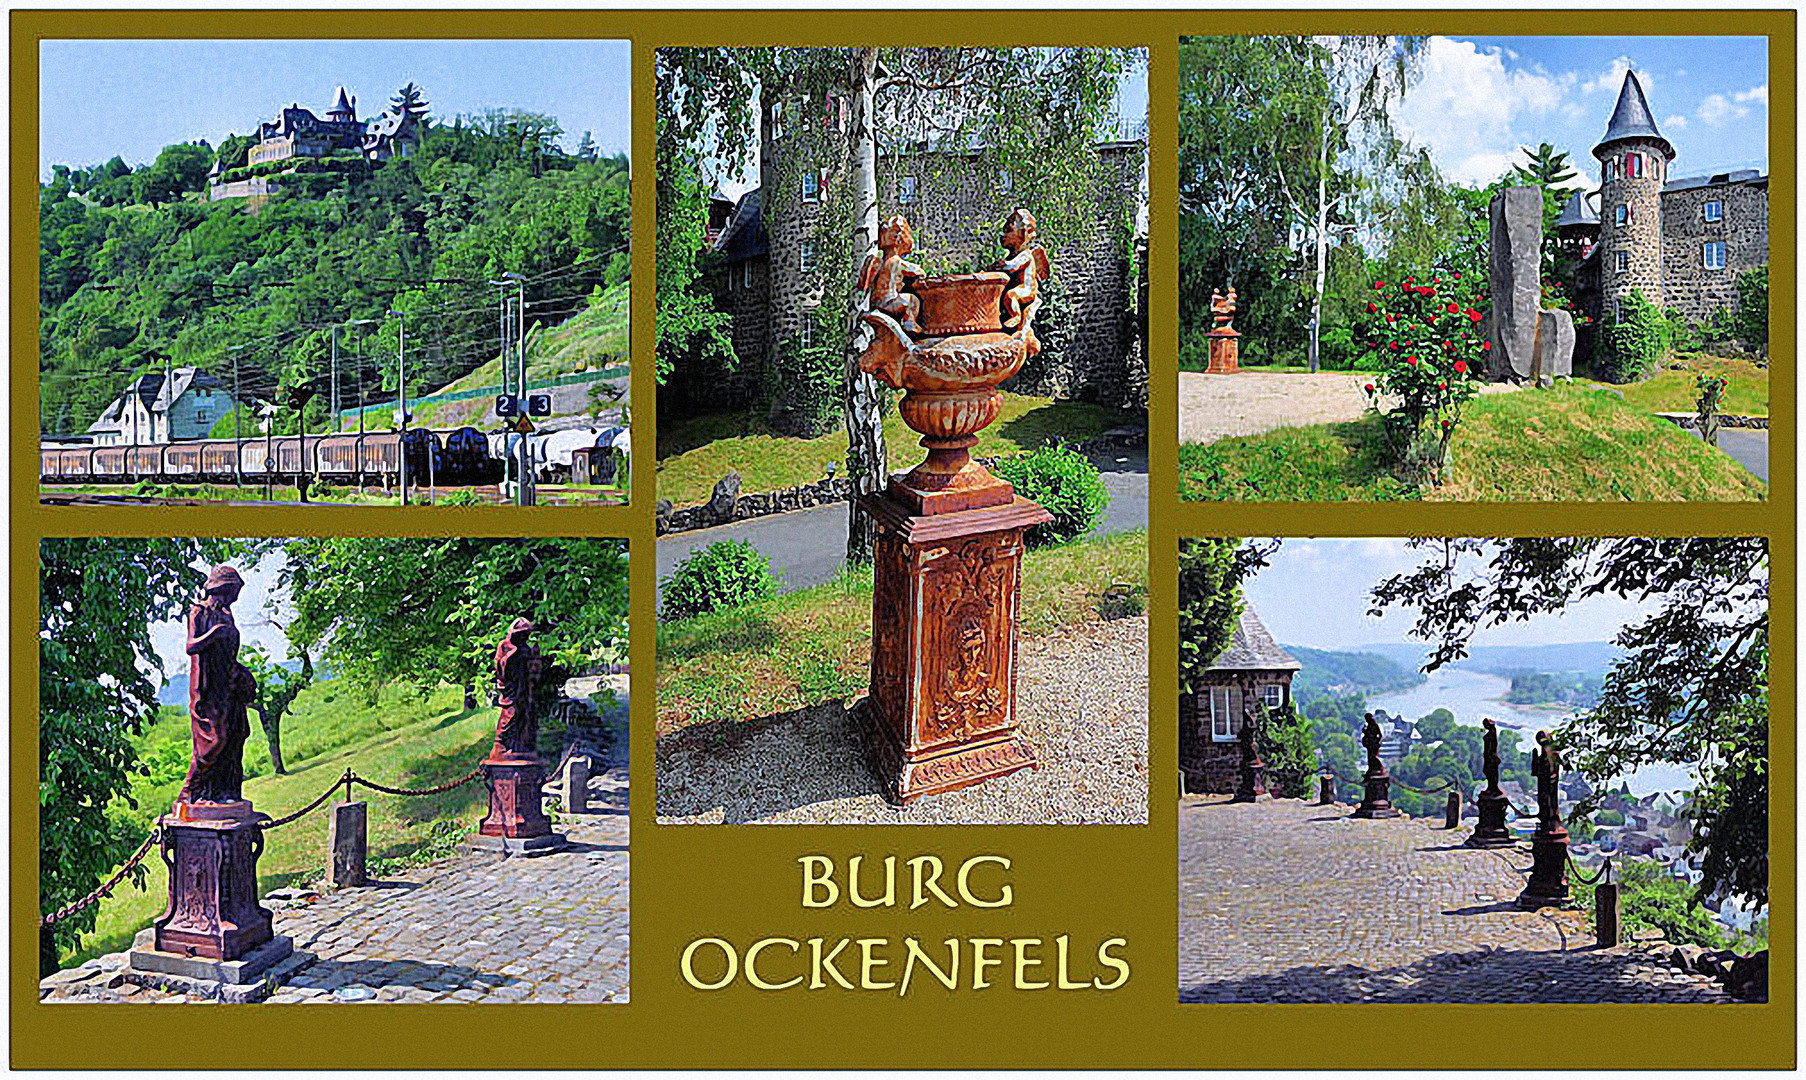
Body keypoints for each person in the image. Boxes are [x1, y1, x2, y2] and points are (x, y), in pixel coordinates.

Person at [178, 565, 256, 806]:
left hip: (228, 685)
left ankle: (224, 793)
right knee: (214, 740)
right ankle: (190, 793)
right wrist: (214, 633)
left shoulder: (226, 615)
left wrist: (242, 674)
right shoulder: (198, 612)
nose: (235, 598)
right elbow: (191, 646)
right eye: (233, 592)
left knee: (236, 735)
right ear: (222, 588)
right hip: (208, 689)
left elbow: (228, 654)